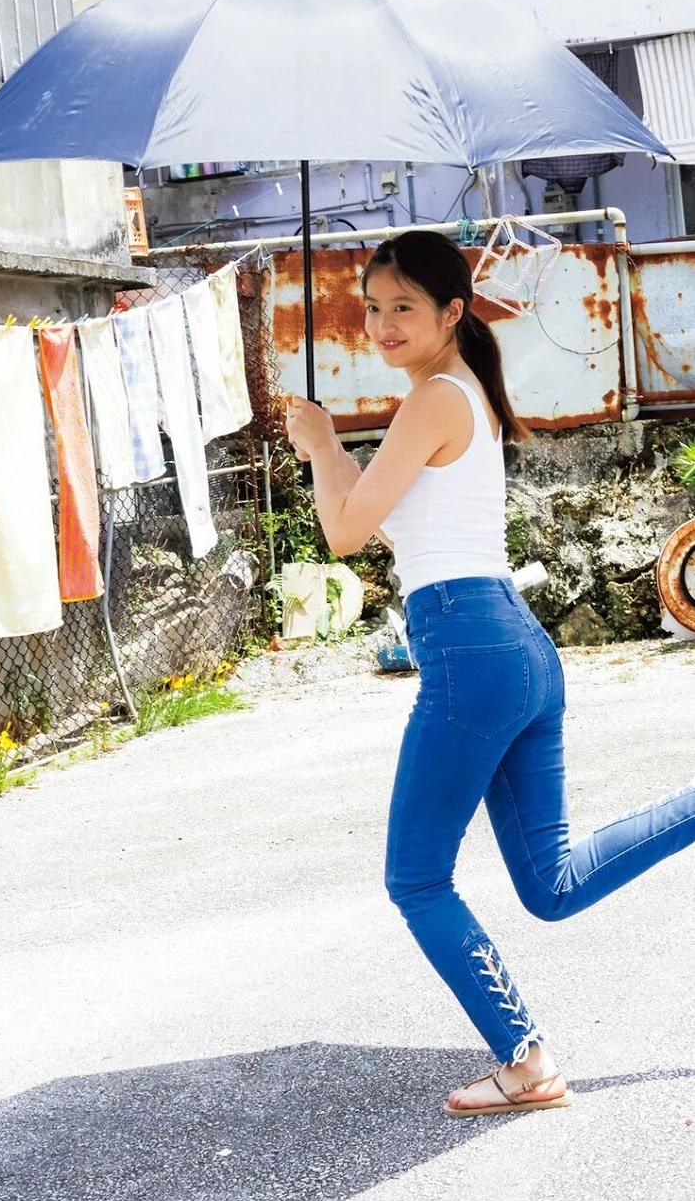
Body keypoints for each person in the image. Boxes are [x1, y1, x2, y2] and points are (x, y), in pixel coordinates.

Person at [284, 229, 695, 1118]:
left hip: (472, 653)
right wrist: (329, 458)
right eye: (374, 306)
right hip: (513, 649)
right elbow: (374, 523)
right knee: (549, 888)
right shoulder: (453, 394)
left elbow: (343, 534)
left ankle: (525, 1060)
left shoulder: (432, 398)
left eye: (404, 307)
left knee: (415, 878)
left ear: (451, 313)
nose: (384, 323)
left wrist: (321, 447)